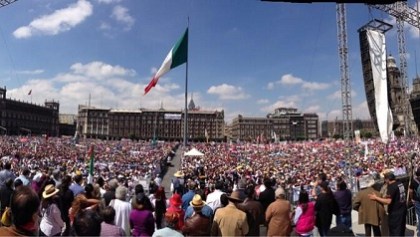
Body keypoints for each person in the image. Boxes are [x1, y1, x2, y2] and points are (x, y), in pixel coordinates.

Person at [369, 171, 407, 236]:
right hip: (402, 210)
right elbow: (395, 195)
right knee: (401, 230)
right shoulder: (400, 183)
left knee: (395, 232)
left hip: (395, 213)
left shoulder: (391, 186)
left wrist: (375, 198)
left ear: (387, 179)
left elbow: (388, 201)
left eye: (385, 179)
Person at [409, 167, 420, 237]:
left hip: (417, 201)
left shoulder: (414, 181)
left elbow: (410, 191)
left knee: (418, 217)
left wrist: (412, 199)